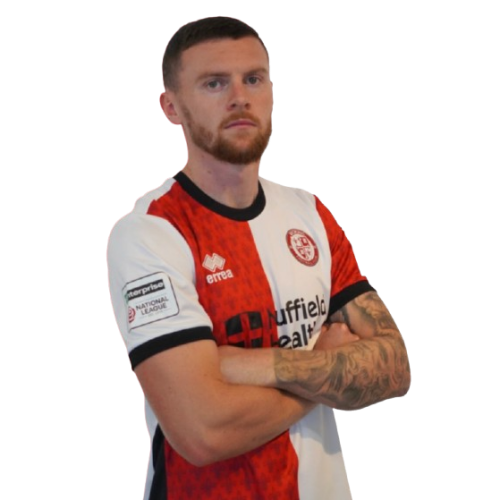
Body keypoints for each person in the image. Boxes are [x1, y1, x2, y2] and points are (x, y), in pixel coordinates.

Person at [106, 16, 411, 500]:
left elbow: (395, 367)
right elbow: (203, 432)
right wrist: (326, 365)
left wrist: (238, 366)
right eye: (214, 83)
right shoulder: (150, 233)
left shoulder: (310, 213)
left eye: (253, 78)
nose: (239, 97)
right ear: (171, 107)